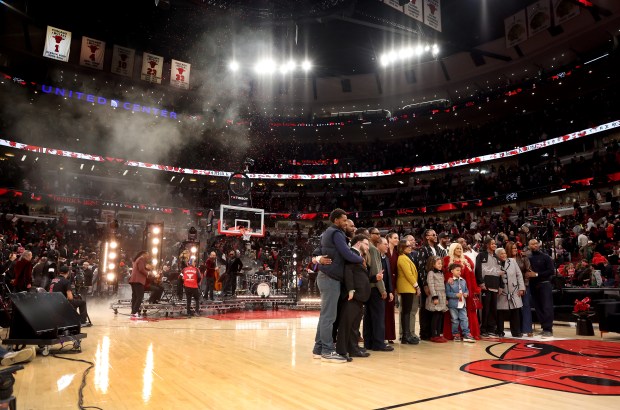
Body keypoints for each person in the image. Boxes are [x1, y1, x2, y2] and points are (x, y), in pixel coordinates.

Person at [312, 208, 363, 364]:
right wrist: (360, 259)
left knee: (325, 315)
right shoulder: (336, 233)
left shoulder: (329, 232)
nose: (346, 222)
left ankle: (319, 348)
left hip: (326, 277)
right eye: (344, 219)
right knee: (329, 316)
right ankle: (327, 350)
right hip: (330, 278)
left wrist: (317, 258)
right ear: (335, 220)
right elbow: (346, 253)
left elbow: (318, 251)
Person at [336, 234, 372, 361]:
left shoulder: (358, 256)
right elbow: (348, 271)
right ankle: (341, 351)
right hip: (353, 295)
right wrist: (351, 289)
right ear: (358, 243)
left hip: (359, 296)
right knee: (347, 324)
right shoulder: (351, 254)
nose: (368, 247)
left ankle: (353, 348)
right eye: (366, 244)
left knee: (354, 325)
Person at [442, 242, 480, 340]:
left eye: (460, 248)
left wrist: (473, 289)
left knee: (465, 315)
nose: (459, 250)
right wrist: (449, 278)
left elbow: (471, 275)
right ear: (452, 249)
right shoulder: (447, 259)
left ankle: (467, 333)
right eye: (457, 248)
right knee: (454, 317)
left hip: (466, 288)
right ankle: (455, 334)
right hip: (453, 290)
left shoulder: (466, 259)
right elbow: (445, 273)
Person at [416, 229, 447, 340]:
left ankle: (435, 332)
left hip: (437, 281)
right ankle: (424, 333)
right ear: (427, 236)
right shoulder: (423, 249)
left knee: (436, 308)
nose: (435, 236)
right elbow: (421, 268)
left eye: (436, 234)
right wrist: (425, 284)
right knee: (425, 308)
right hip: (427, 282)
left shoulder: (438, 249)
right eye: (433, 234)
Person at [365, 236, 394, 352]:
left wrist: (389, 290)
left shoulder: (385, 258)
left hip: (373, 288)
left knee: (370, 317)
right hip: (375, 289)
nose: (387, 246)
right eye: (385, 243)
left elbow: (388, 278)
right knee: (377, 318)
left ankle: (369, 342)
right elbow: (378, 275)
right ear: (377, 244)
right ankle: (378, 343)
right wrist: (383, 290)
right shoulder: (374, 253)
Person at [505, 241, 535, 337]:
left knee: (525, 306)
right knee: (515, 309)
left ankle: (527, 329)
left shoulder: (523, 258)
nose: (514, 250)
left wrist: (524, 286)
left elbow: (528, 272)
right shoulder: (505, 260)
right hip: (510, 287)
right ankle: (518, 329)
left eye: (515, 248)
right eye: (512, 248)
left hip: (523, 285)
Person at [527, 239, 556, 338]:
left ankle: (548, 329)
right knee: (538, 308)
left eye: (536, 243)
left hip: (544, 284)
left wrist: (536, 274)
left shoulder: (546, 257)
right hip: (533, 285)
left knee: (547, 307)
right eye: (532, 244)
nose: (535, 245)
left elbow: (551, 271)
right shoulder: (528, 257)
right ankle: (544, 328)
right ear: (529, 246)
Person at [495, 248, 525, 337]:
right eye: (501, 254)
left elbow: (519, 274)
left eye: (505, 253)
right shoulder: (495, 263)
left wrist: (521, 288)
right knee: (500, 312)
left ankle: (516, 332)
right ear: (497, 255)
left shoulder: (512, 261)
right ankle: (500, 331)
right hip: (501, 292)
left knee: (515, 311)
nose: (504, 255)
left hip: (514, 290)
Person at [475, 237, 501, 338]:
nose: (494, 245)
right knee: (485, 309)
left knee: (493, 308)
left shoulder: (497, 258)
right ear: (487, 245)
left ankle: (491, 329)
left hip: (495, 286)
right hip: (485, 286)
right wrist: (481, 282)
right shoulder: (481, 255)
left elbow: (499, 272)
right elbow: (478, 269)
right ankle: (483, 329)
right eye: (492, 244)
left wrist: (500, 286)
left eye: (495, 244)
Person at [396, 239, 421, 345]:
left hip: (408, 287)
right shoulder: (402, 258)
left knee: (407, 311)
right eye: (408, 246)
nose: (410, 247)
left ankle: (406, 335)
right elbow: (408, 274)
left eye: (410, 246)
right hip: (406, 287)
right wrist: (417, 286)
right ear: (402, 248)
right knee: (406, 311)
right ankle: (406, 335)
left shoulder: (405, 257)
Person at [445, 263, 475, 343]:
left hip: (462, 304)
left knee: (464, 319)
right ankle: (455, 334)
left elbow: (466, 289)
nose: (459, 272)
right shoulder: (449, 281)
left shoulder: (463, 280)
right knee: (455, 320)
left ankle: (466, 334)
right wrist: (455, 295)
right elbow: (447, 293)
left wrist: (466, 293)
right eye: (457, 270)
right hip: (453, 304)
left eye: (460, 271)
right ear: (452, 271)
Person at [425, 256, 448, 343]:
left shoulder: (441, 273)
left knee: (440, 315)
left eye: (441, 263)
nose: (440, 265)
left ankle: (438, 334)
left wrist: (445, 298)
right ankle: (434, 335)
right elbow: (431, 285)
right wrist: (434, 297)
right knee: (436, 315)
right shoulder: (431, 273)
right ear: (433, 264)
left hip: (442, 295)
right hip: (436, 296)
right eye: (438, 263)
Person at [384, 232, 400, 343]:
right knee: (382, 310)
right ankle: (381, 335)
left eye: (398, 238)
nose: (397, 239)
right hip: (383, 282)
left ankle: (389, 336)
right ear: (389, 239)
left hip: (393, 283)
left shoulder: (397, 253)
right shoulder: (383, 252)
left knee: (390, 309)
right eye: (395, 238)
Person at [129, 251, 150, 319]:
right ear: (143, 254)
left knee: (135, 297)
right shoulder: (141, 259)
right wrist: (148, 273)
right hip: (138, 280)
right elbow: (141, 269)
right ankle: (134, 312)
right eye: (147, 255)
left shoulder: (137, 259)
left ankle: (133, 312)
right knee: (139, 297)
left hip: (133, 280)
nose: (148, 256)